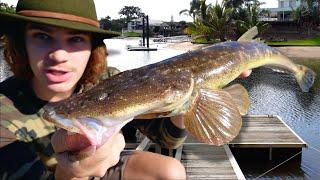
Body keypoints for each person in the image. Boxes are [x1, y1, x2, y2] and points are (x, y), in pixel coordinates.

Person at [0, 0, 251, 179]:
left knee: (171, 171)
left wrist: (189, 93)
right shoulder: (3, 111)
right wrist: (69, 175)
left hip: (106, 169)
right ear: (21, 42)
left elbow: (165, 138)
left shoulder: (109, 82)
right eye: (42, 36)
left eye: (75, 39)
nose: (59, 55)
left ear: (92, 47)